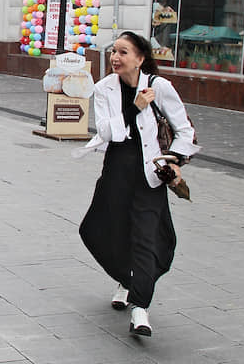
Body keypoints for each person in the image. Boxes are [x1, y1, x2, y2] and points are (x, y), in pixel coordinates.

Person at [77, 31, 199, 338]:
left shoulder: (159, 87)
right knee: (96, 230)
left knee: (145, 237)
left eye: (124, 52)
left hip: (150, 174)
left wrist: (174, 160)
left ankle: (140, 307)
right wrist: (135, 108)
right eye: (114, 52)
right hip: (117, 169)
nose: (116, 58)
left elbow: (184, 131)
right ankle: (126, 279)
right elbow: (107, 132)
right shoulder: (104, 88)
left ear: (141, 58)